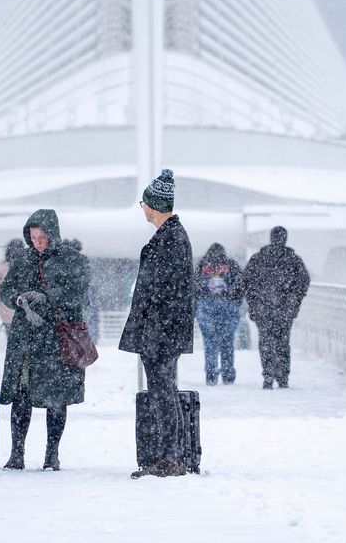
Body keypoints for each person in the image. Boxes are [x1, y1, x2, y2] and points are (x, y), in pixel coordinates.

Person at [0, 209, 90, 471]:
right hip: (25, 339)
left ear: (53, 235)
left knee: (56, 397)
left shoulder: (72, 260)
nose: (37, 242)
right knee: (22, 395)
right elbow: (6, 290)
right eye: (33, 237)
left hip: (56, 339)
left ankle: (52, 454)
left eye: (42, 237)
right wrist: (18, 299)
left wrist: (47, 297)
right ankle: (17, 453)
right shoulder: (22, 259)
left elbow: (78, 294)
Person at [119, 169, 195, 479]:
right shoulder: (170, 236)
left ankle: (170, 458)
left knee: (163, 392)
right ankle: (168, 456)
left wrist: (154, 328)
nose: (142, 208)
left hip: (161, 333)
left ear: (154, 205)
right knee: (162, 391)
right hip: (161, 331)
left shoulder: (171, 238)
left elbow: (166, 290)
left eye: (144, 203)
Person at [244, 226, 310, 389]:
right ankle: (283, 377)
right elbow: (303, 282)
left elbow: (246, 282)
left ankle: (268, 375)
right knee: (283, 341)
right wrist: (294, 301)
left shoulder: (258, 258)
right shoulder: (293, 259)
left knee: (266, 341)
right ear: (285, 238)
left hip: (263, 309)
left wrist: (254, 303)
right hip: (285, 310)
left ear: (271, 238)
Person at [194, 243, 243, 385]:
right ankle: (228, 374)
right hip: (228, 308)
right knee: (227, 342)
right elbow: (240, 285)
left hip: (206, 307)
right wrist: (234, 300)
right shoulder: (231, 264)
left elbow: (195, 285)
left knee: (210, 343)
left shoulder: (202, 265)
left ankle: (211, 375)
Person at [0, 238, 24, 330]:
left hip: (7, 313)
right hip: (24, 314)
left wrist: (1, 303)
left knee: (11, 339)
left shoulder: (1, 268)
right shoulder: (26, 267)